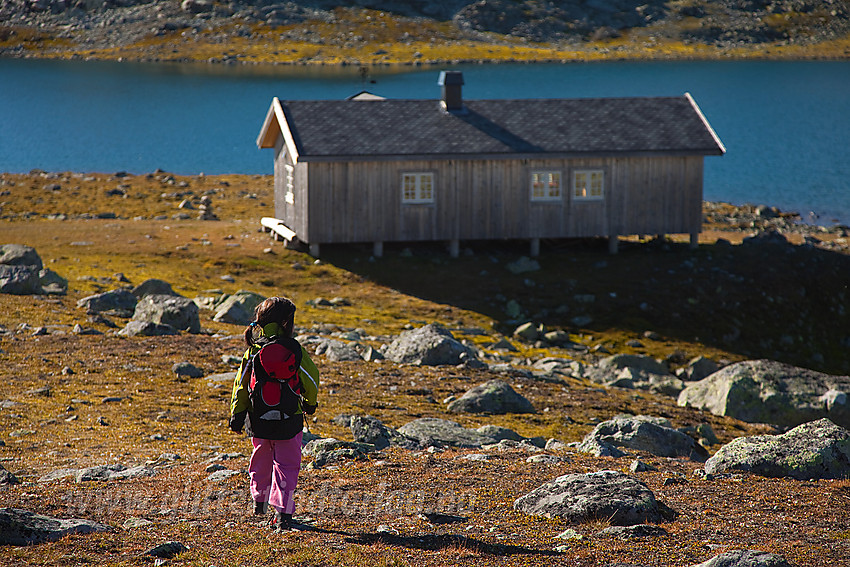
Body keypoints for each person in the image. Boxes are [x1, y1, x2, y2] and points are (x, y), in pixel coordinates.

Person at [229, 297, 319, 531]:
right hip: (289, 419)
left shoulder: (254, 350)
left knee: (261, 457)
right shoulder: (295, 349)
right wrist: (310, 403)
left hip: (258, 418)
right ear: (286, 322)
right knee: (287, 465)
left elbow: (240, 385)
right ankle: (283, 514)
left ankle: (259, 502)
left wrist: (236, 414)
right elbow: (311, 379)